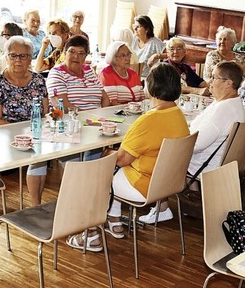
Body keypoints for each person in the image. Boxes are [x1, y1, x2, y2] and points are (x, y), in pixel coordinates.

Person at [77, 64, 190, 245]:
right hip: (167, 183)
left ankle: (90, 237)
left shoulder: (149, 120)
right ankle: (114, 221)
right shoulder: (177, 114)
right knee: (115, 170)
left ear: (150, 87)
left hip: (144, 186)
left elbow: (121, 160)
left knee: (95, 174)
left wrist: (108, 152)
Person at [138, 61, 245, 224]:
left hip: (205, 164)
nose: (209, 81)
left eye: (214, 77)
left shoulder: (222, 111)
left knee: (158, 154)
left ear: (228, 83)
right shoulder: (232, 103)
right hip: (220, 161)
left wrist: (171, 137)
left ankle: (162, 208)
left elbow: (195, 145)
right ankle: (190, 198)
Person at [0, 36, 49, 205]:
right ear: (6, 57)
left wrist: (33, 131)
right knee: (38, 150)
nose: (18, 60)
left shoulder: (38, 81)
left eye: (23, 56)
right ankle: (36, 205)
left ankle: (37, 205)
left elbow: (45, 113)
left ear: (30, 58)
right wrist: (24, 131)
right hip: (4, 136)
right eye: (13, 55)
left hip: (34, 134)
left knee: (47, 151)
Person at [46, 35, 110, 110]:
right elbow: (62, 105)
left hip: (97, 118)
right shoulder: (57, 73)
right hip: (73, 119)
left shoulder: (89, 70)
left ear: (85, 56)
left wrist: (103, 114)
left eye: (81, 53)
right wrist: (88, 116)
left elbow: (105, 98)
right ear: (65, 53)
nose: (76, 56)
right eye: (72, 51)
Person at [99, 41, 143, 105]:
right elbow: (112, 103)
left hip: (135, 112)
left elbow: (142, 98)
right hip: (117, 113)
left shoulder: (133, 74)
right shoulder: (107, 74)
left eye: (128, 54)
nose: (127, 58)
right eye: (123, 55)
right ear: (114, 58)